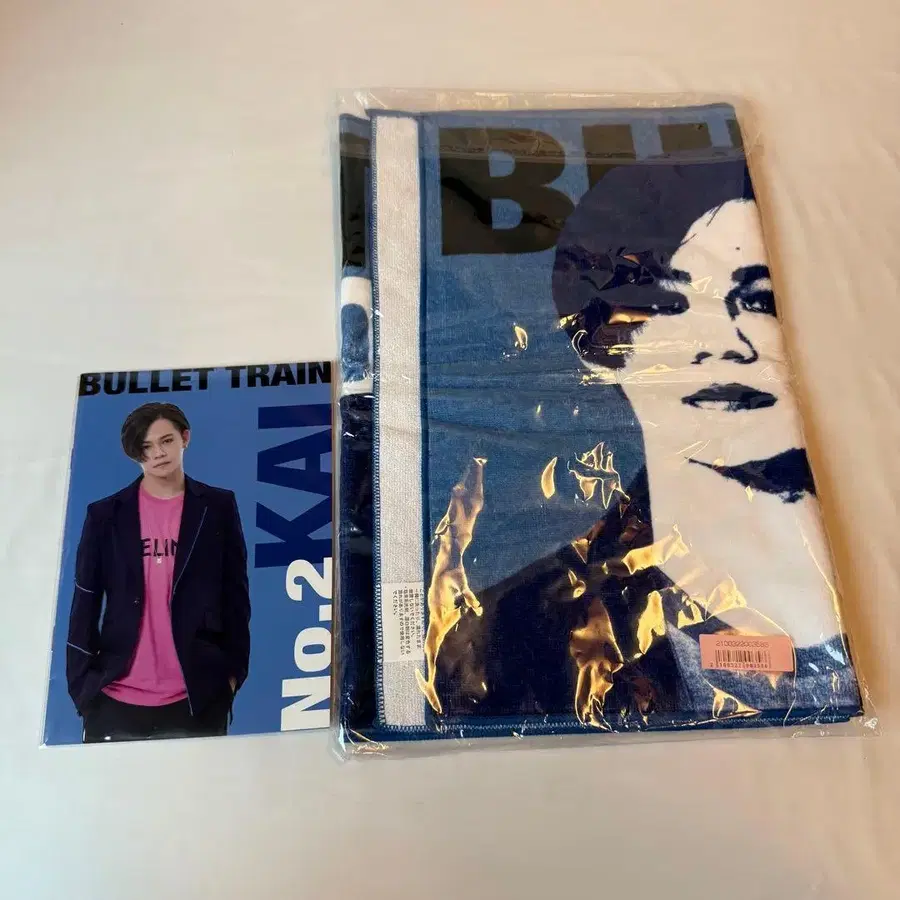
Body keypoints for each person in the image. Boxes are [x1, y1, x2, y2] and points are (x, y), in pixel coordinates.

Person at [426, 157, 860, 728]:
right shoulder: (526, 625)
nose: (736, 347)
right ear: (606, 350)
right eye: (673, 306)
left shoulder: (853, 529)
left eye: (757, 300)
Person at [66, 402, 250, 742]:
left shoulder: (217, 507)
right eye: (146, 447)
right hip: (114, 697)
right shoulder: (105, 515)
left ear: (185, 438)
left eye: (166, 441)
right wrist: (83, 687)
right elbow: (85, 602)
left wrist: (231, 677)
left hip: (197, 696)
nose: (158, 454)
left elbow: (235, 595)